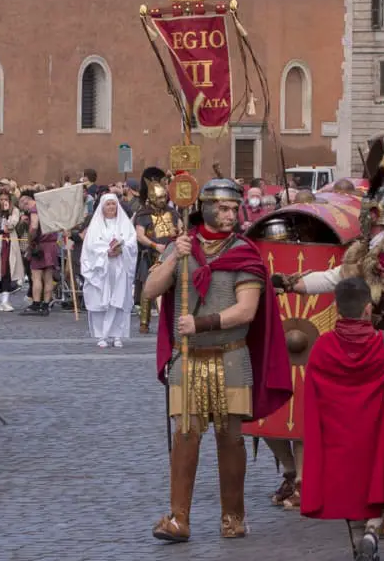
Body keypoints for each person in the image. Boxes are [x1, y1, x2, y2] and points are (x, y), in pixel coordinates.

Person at [277, 187, 384, 522]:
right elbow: (336, 278)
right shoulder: (363, 252)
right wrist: (292, 283)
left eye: (369, 215)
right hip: (374, 341)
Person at [144, 178, 292, 543]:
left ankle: (233, 517)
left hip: (230, 357)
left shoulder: (244, 252)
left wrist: (201, 322)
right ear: (206, 208)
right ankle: (178, 518)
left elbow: (246, 311)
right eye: (223, 209)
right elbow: (149, 291)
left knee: (230, 439)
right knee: (186, 436)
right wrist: (174, 258)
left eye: (233, 209)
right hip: (188, 359)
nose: (230, 215)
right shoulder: (181, 247)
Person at [301, 277, 384, 561]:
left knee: (350, 497)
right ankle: (372, 532)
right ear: (368, 309)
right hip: (378, 436)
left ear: (338, 309)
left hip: (338, 438)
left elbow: (311, 393)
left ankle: (359, 547)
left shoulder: (323, 346)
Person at [81, 194, 138, 348]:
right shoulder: (95, 226)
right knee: (101, 301)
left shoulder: (125, 224)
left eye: (114, 204)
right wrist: (106, 252)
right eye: (108, 204)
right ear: (103, 207)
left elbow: (132, 242)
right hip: (102, 268)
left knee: (118, 301)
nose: (111, 207)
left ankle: (117, 335)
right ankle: (101, 336)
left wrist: (122, 249)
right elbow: (91, 246)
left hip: (120, 267)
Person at [134, 168, 180, 334]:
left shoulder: (172, 212)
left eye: (164, 197)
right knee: (148, 287)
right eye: (159, 197)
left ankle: (168, 320)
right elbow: (139, 235)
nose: (162, 200)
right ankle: (144, 323)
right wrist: (154, 245)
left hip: (170, 254)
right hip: (151, 255)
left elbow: (180, 228)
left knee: (171, 287)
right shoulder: (143, 214)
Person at [20, 197, 61, 317]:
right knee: (48, 277)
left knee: (36, 277)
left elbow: (34, 227)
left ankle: (36, 304)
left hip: (40, 245)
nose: (25, 211)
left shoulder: (34, 209)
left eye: (24, 208)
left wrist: (30, 240)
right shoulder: (48, 208)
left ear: (25, 202)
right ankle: (46, 305)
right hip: (51, 244)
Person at [0, 191, 25, 311]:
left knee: (7, 270)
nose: (3, 202)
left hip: (9, 245)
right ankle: (2, 301)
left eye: (5, 199)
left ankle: (6, 300)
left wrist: (7, 214)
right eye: (1, 199)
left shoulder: (15, 211)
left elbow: (11, 225)